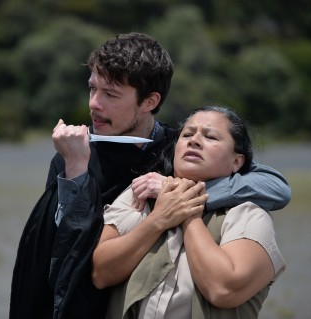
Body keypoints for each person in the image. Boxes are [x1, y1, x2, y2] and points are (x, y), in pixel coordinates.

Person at [9, 33, 290, 319]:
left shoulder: (176, 148)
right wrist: (77, 171)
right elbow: (67, 247)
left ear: (149, 101)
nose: (94, 103)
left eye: (111, 94)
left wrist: (177, 191)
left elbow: (276, 187)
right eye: (92, 89)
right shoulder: (73, 152)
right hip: (79, 302)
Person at [92, 106, 286, 319]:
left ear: (237, 161)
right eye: (187, 134)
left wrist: (187, 210)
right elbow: (101, 273)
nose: (194, 140)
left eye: (211, 137)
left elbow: (223, 289)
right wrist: (157, 220)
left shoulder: (247, 215)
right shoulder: (140, 193)